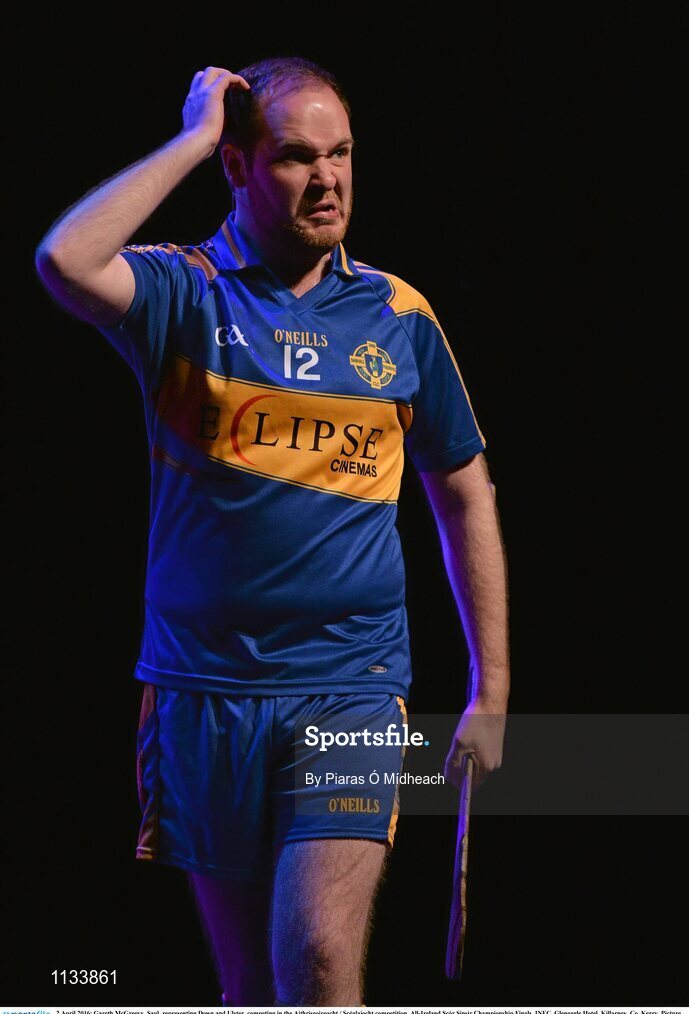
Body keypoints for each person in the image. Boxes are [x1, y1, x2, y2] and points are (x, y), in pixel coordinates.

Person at [35, 56, 510, 1007]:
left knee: (320, 962)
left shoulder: (397, 316)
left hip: (350, 682)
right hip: (202, 687)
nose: (328, 180)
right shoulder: (184, 295)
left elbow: (465, 495)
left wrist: (489, 688)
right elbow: (66, 261)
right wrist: (194, 134)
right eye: (295, 156)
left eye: (342, 154)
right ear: (238, 165)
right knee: (252, 986)